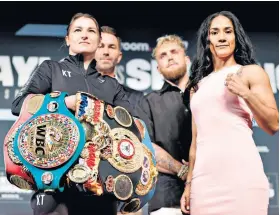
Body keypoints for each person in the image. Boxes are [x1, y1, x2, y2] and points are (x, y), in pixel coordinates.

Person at [11, 12, 136, 215]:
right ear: (68, 39)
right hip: (55, 189)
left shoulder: (112, 86)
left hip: (100, 191)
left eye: (91, 31)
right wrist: (62, 102)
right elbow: (18, 104)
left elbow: (131, 128)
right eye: (78, 30)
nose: (84, 35)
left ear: (99, 41)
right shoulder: (51, 69)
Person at [180, 11, 279, 215]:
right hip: (204, 184)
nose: (222, 37)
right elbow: (195, 142)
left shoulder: (250, 72)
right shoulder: (196, 88)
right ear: (208, 39)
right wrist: (189, 184)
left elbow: (273, 124)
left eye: (228, 31)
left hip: (242, 179)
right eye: (215, 32)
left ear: (236, 37)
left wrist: (245, 93)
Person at [136, 35, 192, 215]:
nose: (170, 57)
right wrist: (182, 170)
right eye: (163, 55)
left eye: (174, 51)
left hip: (212, 192)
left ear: (186, 59)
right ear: (158, 69)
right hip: (168, 200)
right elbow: (146, 148)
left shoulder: (206, 94)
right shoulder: (148, 102)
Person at [95, 25, 144, 108]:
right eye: (100, 46)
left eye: (111, 47)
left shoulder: (136, 98)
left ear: (119, 57)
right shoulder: (76, 89)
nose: (106, 52)